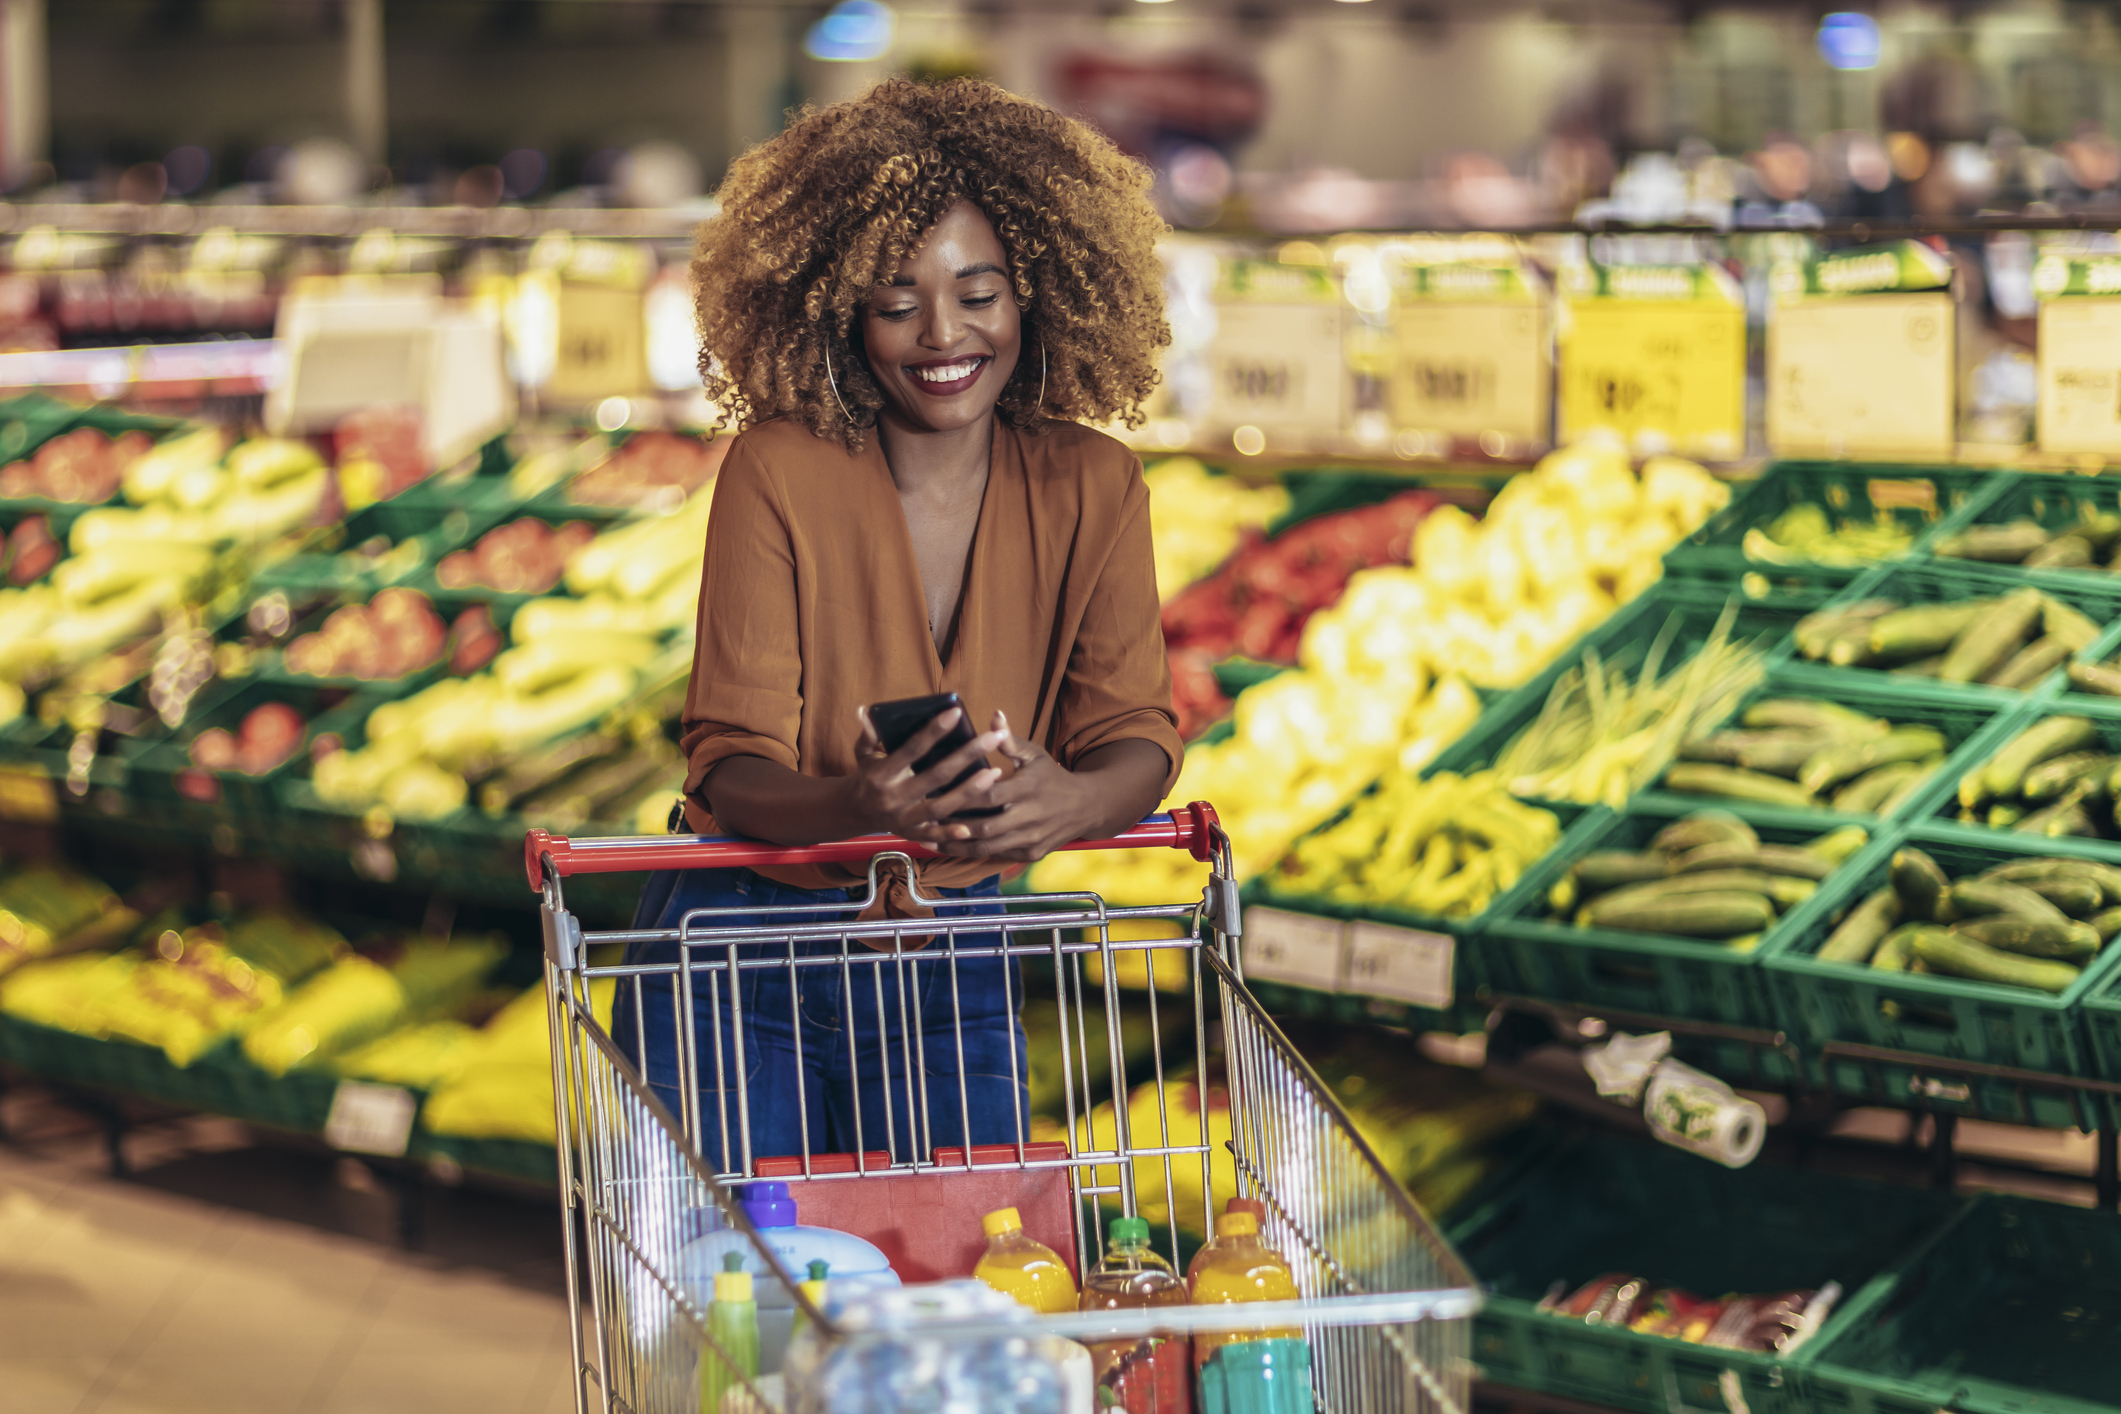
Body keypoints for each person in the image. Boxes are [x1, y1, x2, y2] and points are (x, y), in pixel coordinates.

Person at [613, 78, 1183, 1174]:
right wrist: (854, 805)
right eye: (896, 300)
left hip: (950, 948)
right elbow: (729, 761)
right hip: (742, 946)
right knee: (750, 1302)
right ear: (837, 309)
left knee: (953, 1287)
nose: (943, 335)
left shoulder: (1096, 485)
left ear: (1039, 295)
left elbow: (1136, 730)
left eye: (980, 294)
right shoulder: (779, 467)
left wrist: (1072, 803)